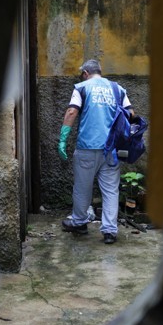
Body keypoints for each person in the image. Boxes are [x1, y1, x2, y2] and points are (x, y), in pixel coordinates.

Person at [57, 58, 134, 244]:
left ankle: (80, 223)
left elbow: (72, 112)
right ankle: (109, 231)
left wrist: (63, 138)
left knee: (82, 188)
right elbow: (131, 115)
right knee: (110, 191)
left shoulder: (82, 87)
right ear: (100, 71)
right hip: (111, 150)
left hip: (87, 148)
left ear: (85, 73)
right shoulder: (118, 89)